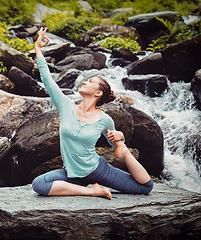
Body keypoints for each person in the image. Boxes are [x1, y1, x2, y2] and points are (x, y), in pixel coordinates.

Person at [32, 27, 153, 199]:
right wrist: (38, 48)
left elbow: (115, 143)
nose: (85, 81)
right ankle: (92, 191)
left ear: (98, 93)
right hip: (71, 174)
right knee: (39, 184)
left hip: (98, 170)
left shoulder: (104, 119)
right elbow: (47, 79)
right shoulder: (66, 106)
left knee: (145, 187)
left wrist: (121, 141)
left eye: (90, 81)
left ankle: (117, 163)